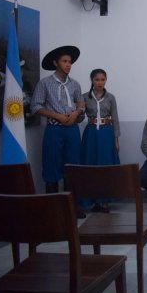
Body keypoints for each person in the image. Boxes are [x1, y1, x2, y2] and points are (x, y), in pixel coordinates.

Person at [31, 46, 84, 195]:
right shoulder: (45, 83)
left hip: (72, 130)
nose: (68, 65)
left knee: (73, 165)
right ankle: (53, 208)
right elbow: (35, 106)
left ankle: (72, 207)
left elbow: (81, 103)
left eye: (70, 62)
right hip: (54, 129)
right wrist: (56, 116)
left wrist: (76, 113)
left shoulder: (75, 84)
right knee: (51, 165)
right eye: (65, 61)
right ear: (56, 63)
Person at [81, 68, 120, 213]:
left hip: (106, 134)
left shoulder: (110, 97)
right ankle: (93, 201)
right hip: (91, 134)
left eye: (102, 79)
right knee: (91, 164)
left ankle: (105, 201)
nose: (100, 82)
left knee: (106, 165)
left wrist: (116, 139)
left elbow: (115, 118)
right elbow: (79, 115)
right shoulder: (84, 97)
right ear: (92, 80)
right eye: (97, 79)